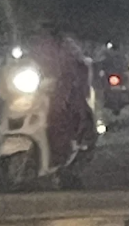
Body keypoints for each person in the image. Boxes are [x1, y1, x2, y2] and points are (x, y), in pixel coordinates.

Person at [32, 24, 93, 167]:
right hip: (40, 88)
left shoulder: (67, 47)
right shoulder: (34, 46)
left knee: (66, 112)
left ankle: (74, 144)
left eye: (45, 34)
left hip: (66, 86)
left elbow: (75, 66)